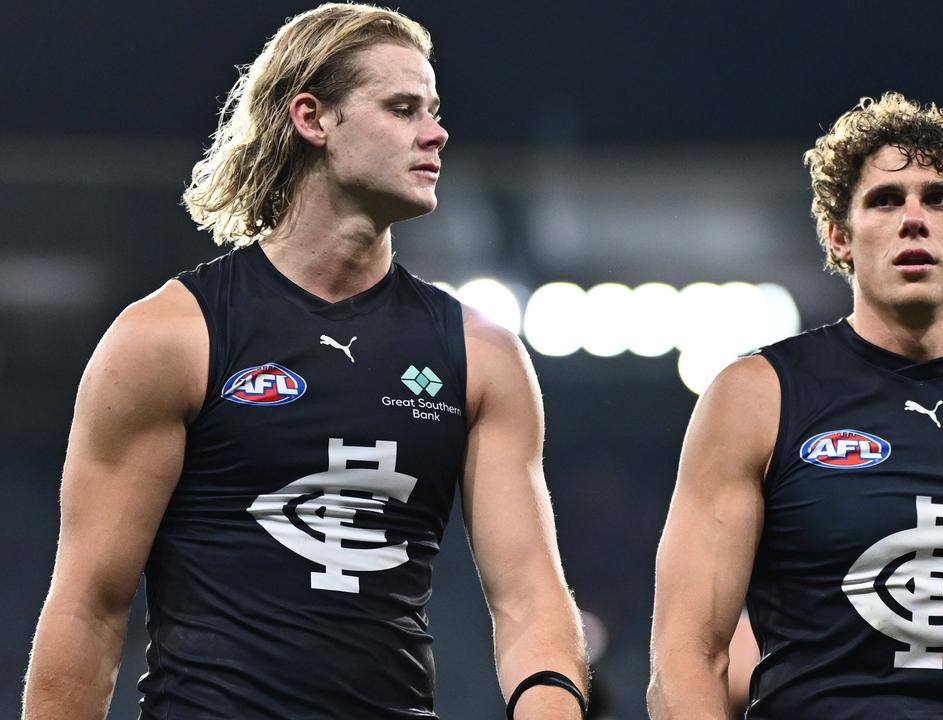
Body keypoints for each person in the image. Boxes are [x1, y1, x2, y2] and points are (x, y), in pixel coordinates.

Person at [23, 5, 587, 719]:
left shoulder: (480, 354)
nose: (437, 132)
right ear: (313, 118)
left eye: (435, 110)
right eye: (403, 107)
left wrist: (550, 701)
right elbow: (89, 609)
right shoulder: (169, 337)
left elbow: (531, 597)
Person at [649, 91, 943, 718]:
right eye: (884, 200)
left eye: (939, 197)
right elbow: (688, 657)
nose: (913, 218)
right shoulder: (755, 396)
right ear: (839, 236)